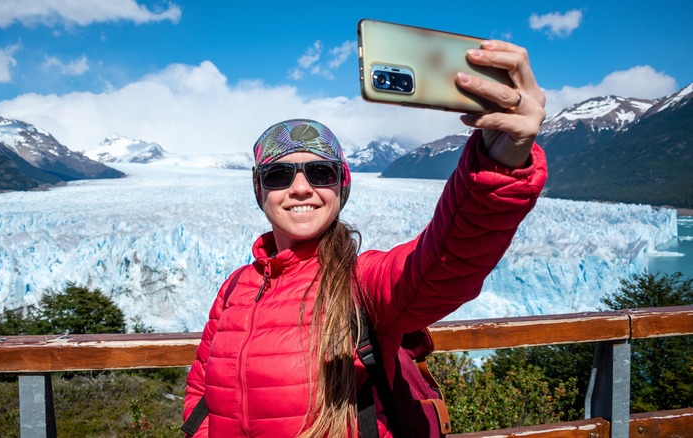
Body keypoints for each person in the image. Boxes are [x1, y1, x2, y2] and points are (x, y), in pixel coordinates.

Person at [183, 39, 548, 437]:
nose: (301, 188)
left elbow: (447, 258)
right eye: (278, 175)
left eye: (321, 173)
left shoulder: (363, 282)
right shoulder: (236, 287)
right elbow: (202, 393)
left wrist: (499, 164)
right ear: (260, 191)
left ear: (342, 185)